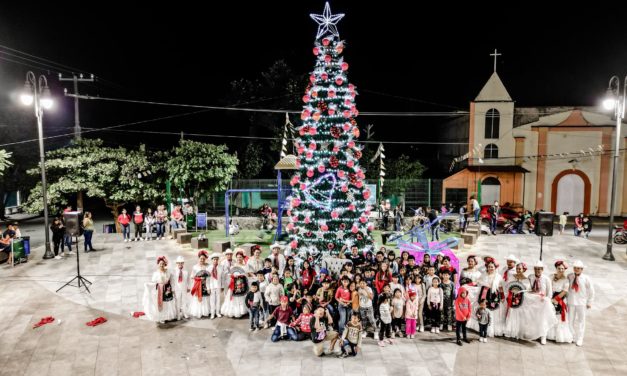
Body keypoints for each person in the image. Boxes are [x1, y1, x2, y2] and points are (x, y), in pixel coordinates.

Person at [143, 256, 177, 324]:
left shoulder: (168, 272)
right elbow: (154, 283)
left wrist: (173, 290)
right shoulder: (156, 274)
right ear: (158, 264)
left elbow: (172, 281)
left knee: (168, 303)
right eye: (160, 263)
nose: (161, 265)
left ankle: (169, 316)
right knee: (162, 304)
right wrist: (148, 285)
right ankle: (162, 317)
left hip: (168, 289)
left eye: (163, 263)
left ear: (165, 264)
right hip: (160, 290)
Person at [568, 260, 594, 346]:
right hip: (571, 301)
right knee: (570, 320)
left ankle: (580, 338)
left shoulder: (586, 278)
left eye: (578, 268)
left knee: (581, 321)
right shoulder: (570, 276)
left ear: (582, 269)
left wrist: (589, 301)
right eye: (575, 268)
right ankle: (572, 336)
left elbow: (591, 291)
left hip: (581, 302)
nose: (576, 270)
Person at [547, 260, 573, 343]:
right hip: (550, 296)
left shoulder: (566, 280)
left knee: (558, 317)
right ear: (556, 268)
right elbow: (548, 287)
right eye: (559, 268)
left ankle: (558, 335)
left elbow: (564, 291)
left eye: (562, 269)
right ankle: (548, 334)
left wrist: (555, 300)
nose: (561, 270)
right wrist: (549, 298)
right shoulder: (551, 276)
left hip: (559, 299)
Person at [189, 250, 211, 318]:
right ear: (198, 258)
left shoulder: (208, 266)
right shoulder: (195, 267)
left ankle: (205, 311)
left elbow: (210, 277)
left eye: (204, 259)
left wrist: (209, 286)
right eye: (201, 258)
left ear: (205, 259)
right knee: (198, 297)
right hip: (198, 284)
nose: (202, 260)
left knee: (205, 297)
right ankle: (199, 311)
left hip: (206, 284)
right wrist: (199, 279)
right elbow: (192, 276)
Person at [207, 253, 223, 319]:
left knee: (218, 300)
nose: (215, 261)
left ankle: (218, 312)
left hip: (218, 285)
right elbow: (207, 279)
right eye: (214, 259)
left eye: (217, 259)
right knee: (212, 300)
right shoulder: (209, 268)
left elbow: (222, 277)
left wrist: (222, 286)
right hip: (212, 286)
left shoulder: (220, 267)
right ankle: (212, 313)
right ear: (212, 260)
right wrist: (208, 288)